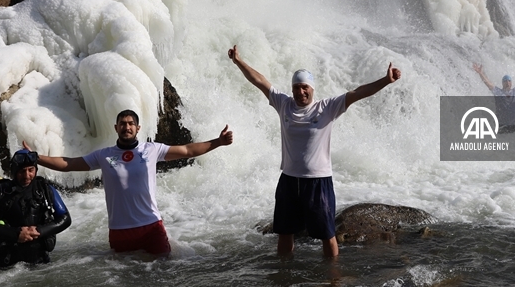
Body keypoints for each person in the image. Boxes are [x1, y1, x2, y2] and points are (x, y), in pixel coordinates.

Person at [228, 44, 401, 258]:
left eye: (304, 87)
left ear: (312, 88)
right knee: (285, 232)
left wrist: (386, 80)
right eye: (296, 88)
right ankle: (285, 274)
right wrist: (238, 61)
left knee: (327, 234)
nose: (300, 92)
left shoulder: (327, 108)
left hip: (318, 182)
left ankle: (333, 278)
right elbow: (260, 81)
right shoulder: (284, 104)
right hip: (289, 180)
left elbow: (358, 93)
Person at [24, 110, 233, 256]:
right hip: (120, 231)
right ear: (116, 127)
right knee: (125, 279)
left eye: (131, 123)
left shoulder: (152, 150)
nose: (127, 127)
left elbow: (187, 150)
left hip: (152, 227)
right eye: (123, 124)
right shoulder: (104, 156)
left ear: (138, 127)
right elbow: (69, 164)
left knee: (163, 274)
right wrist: (37, 157)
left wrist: (218, 142)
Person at [0, 148, 72, 267]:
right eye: (22, 171)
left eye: (31, 170)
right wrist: (16, 234)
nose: (27, 176)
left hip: (40, 263)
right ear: (14, 172)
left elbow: (65, 218)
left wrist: (40, 231)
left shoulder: (45, 189)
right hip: (3, 267)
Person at [472, 63, 515, 133]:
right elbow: (488, 83)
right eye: (505, 81)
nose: (507, 82)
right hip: (500, 125)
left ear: (511, 83)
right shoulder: (498, 92)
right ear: (502, 83)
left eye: (509, 81)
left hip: (511, 125)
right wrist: (480, 73)